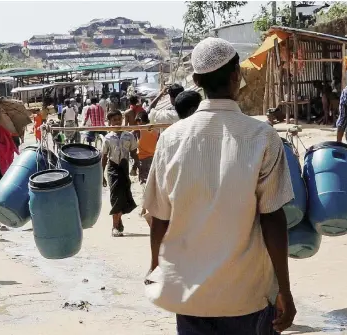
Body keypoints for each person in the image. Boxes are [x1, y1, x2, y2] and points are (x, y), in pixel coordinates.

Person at [143, 37, 296, 334]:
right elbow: (272, 218)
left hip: (190, 296)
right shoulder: (262, 137)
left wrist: (154, 267)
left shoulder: (171, 139)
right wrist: (285, 290)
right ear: (236, 75)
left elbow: (159, 218)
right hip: (247, 296)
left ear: (197, 80)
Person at [101, 110, 139, 237]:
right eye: (114, 120)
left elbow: (134, 152)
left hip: (124, 168)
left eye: (119, 119)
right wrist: (101, 175)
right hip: (112, 169)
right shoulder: (107, 138)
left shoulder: (129, 136)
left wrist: (135, 166)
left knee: (123, 196)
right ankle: (114, 227)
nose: (117, 122)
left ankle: (118, 220)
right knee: (115, 197)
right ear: (110, 122)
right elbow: (104, 157)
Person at [134, 112, 158, 224]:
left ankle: (145, 208)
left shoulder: (140, 130)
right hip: (154, 158)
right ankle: (148, 207)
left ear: (139, 120)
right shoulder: (155, 129)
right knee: (153, 183)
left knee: (144, 184)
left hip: (143, 160)